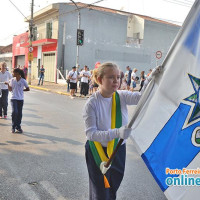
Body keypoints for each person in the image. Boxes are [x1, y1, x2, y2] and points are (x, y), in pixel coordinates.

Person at [83, 62, 146, 200]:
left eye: (118, 77)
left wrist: (152, 80)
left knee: (112, 188)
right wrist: (117, 133)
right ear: (100, 80)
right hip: (98, 151)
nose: (116, 81)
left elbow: (143, 98)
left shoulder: (122, 96)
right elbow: (91, 134)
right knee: (100, 192)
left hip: (117, 150)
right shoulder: (92, 103)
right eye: (111, 77)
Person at [6, 68, 30, 133]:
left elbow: (28, 89)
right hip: (13, 98)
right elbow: (10, 89)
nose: (12, 74)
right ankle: (13, 126)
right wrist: (8, 84)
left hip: (20, 99)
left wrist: (22, 90)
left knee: (19, 113)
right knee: (14, 112)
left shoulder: (23, 81)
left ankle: (18, 126)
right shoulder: (12, 80)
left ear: (18, 73)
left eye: (13, 72)